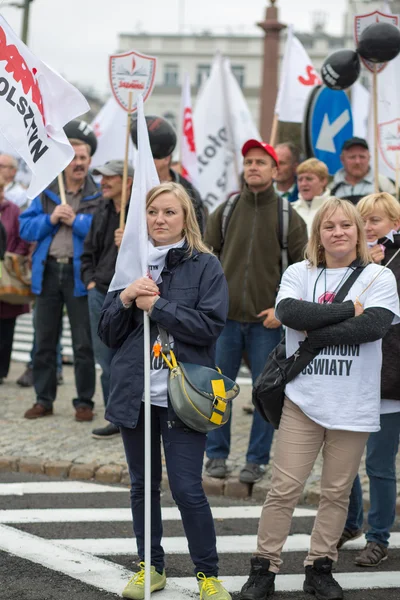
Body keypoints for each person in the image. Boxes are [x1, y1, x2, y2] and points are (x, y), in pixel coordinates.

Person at [239, 197, 400, 600]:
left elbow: (375, 327)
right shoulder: (299, 272)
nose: (338, 232)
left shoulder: (380, 277)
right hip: (303, 400)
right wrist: (349, 310)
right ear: (318, 234)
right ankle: (264, 567)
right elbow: (291, 312)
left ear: (359, 231)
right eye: (329, 226)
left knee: (336, 492)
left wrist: (317, 333)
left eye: (346, 225)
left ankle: (320, 566)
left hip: (354, 403)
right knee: (283, 489)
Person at [98, 182, 231, 600]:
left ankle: (207, 574)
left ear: (185, 218)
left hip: (184, 395)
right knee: (141, 485)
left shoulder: (205, 265)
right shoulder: (130, 264)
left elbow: (210, 325)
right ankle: (149, 568)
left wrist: (158, 306)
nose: (160, 219)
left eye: (169, 212)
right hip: (136, 394)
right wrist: (124, 299)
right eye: (153, 212)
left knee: (187, 488)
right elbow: (106, 333)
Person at [204, 139, 308, 484]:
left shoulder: (287, 216)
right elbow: (206, 259)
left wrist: (282, 309)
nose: (253, 167)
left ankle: (257, 460)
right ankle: (216, 455)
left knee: (264, 395)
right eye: (249, 161)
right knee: (218, 389)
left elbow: (303, 271)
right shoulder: (227, 210)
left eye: (261, 162)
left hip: (267, 322)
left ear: (275, 170)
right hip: (226, 320)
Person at [337, 192, 400, 567]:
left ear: (395, 222)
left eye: (375, 220)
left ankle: (378, 536)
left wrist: (381, 272)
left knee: (378, 463)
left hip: (389, 379)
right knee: (341, 459)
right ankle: (349, 522)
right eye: (364, 220)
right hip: (353, 375)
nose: (368, 227)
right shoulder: (352, 259)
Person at [19, 137, 101, 421]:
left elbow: (103, 232)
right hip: (49, 271)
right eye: (73, 158)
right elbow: (25, 229)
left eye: (83, 158)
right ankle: (44, 399)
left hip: (80, 275)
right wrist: (51, 218)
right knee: (44, 341)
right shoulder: (46, 191)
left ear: (90, 161)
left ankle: (84, 402)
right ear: (65, 161)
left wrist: (76, 221)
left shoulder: (98, 194)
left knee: (83, 343)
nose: (78, 163)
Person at [81, 160, 134, 439]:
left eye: (109, 178)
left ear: (126, 181)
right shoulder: (101, 209)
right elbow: (88, 251)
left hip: (129, 294)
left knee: (127, 359)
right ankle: (113, 417)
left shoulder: (140, 211)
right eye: (101, 177)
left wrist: (133, 240)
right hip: (100, 290)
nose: (103, 182)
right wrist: (90, 281)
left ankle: (131, 415)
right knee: (106, 360)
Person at [131, 115, 206, 233]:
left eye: (151, 158)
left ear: (166, 158)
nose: (145, 162)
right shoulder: (133, 188)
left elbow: (198, 231)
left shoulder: (188, 192)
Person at [0, 175, 30, 384]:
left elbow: (23, 239)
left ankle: (1, 370)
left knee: (5, 323)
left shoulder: (12, 210)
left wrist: (13, 256)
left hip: (6, 273)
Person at [330, 138, 395, 204]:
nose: (357, 161)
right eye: (352, 157)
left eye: (362, 157)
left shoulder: (384, 184)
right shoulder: (331, 187)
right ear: (342, 159)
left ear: (369, 158)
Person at [292, 158, 331, 235]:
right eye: (300, 179)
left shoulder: (337, 208)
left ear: (323, 181)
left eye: (309, 179)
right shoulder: (291, 210)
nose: (303, 184)